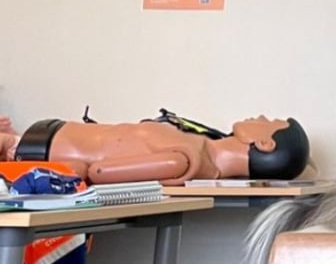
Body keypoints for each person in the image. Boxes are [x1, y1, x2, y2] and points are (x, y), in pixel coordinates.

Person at [1, 113, 309, 186]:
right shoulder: (197, 145)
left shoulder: (187, 161)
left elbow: (96, 172)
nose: (260, 116)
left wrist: (19, 159)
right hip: (39, 138)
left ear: (265, 144)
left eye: (268, 121)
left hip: (35, 152)